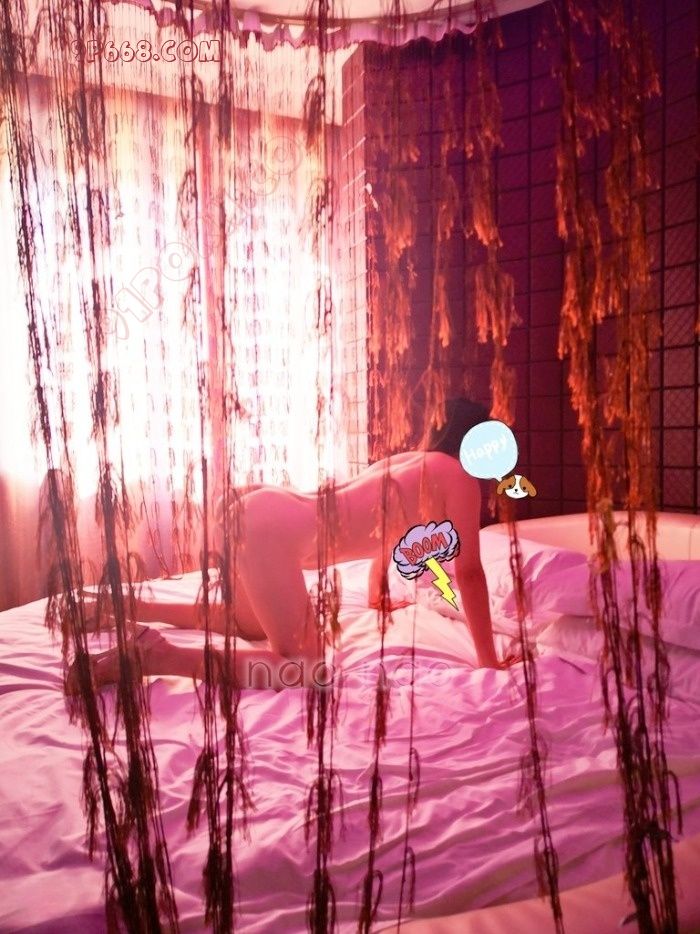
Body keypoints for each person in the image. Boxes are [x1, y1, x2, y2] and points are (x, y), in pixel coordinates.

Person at [68, 400, 511, 694]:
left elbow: (387, 527)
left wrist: (377, 592)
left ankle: (122, 607)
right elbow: (470, 572)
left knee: (244, 623)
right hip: (268, 528)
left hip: (260, 505)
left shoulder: (409, 462)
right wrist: (488, 662)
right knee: (306, 671)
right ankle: (154, 654)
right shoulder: (460, 480)